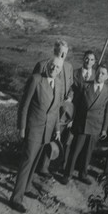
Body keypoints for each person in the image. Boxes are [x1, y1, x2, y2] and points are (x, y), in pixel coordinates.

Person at [10, 57, 63, 213]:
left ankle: (26, 188)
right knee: (27, 162)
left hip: (47, 131)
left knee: (35, 162)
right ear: (47, 66)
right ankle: (15, 199)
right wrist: (22, 128)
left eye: (58, 67)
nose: (54, 68)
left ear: (60, 70)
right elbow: (24, 105)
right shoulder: (36, 80)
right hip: (33, 129)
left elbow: (56, 110)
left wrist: (57, 129)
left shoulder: (59, 84)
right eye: (52, 65)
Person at [61, 64, 108, 185]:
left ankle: (82, 174)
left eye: (103, 74)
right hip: (81, 123)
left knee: (88, 153)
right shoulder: (85, 85)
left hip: (96, 126)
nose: (100, 75)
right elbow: (76, 104)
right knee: (75, 151)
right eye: (99, 72)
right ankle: (67, 174)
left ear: (107, 77)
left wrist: (104, 129)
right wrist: (72, 120)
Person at [33, 39, 74, 176]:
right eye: (60, 52)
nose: (62, 56)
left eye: (65, 53)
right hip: (46, 109)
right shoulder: (43, 65)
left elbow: (71, 87)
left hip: (62, 111)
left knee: (55, 138)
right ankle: (35, 165)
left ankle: (46, 165)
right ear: (54, 51)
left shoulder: (68, 67)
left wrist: (70, 97)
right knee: (42, 138)